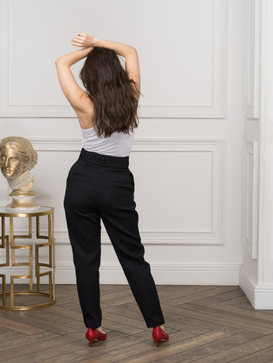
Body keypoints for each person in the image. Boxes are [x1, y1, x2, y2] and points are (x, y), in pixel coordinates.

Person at [55, 33, 169, 347]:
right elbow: (130, 50)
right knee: (133, 257)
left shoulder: (83, 102)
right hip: (116, 183)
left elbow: (61, 61)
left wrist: (88, 48)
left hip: (81, 180)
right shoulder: (131, 95)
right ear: (117, 73)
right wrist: (102, 43)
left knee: (86, 258)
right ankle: (156, 326)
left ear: (89, 76)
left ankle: (93, 328)